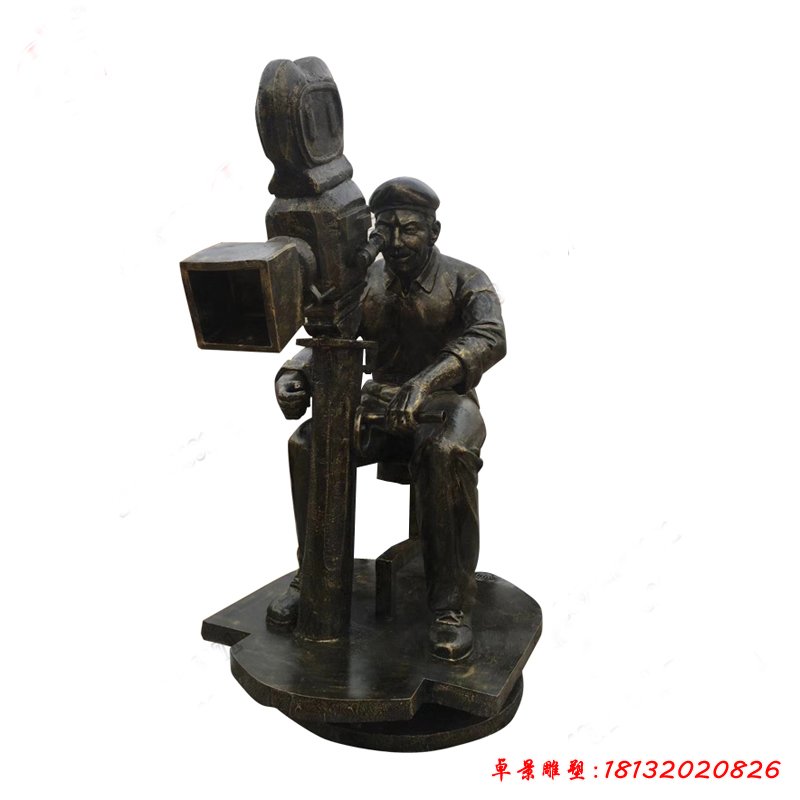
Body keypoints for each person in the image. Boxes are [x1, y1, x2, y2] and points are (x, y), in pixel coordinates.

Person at [268, 177, 506, 660]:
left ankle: (451, 605)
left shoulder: (466, 279)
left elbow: (490, 336)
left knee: (447, 452)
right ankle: (312, 576)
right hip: (377, 404)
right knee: (308, 443)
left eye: (410, 229)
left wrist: (426, 383)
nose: (396, 241)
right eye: (387, 228)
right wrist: (294, 373)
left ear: (434, 231)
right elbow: (332, 337)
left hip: (446, 405)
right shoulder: (362, 283)